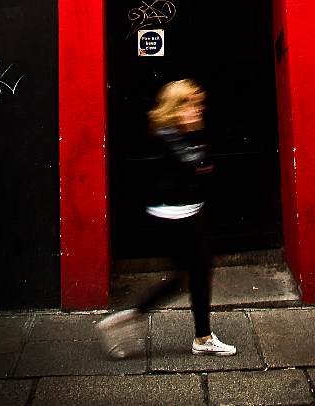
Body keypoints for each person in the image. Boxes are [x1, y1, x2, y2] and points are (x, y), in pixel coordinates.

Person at [97, 78, 236, 358]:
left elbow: (204, 163)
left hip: (189, 210)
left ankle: (200, 336)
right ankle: (132, 318)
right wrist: (197, 147)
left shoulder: (179, 132)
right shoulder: (166, 134)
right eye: (192, 104)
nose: (198, 110)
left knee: (195, 273)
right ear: (177, 106)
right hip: (175, 215)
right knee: (191, 274)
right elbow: (195, 163)